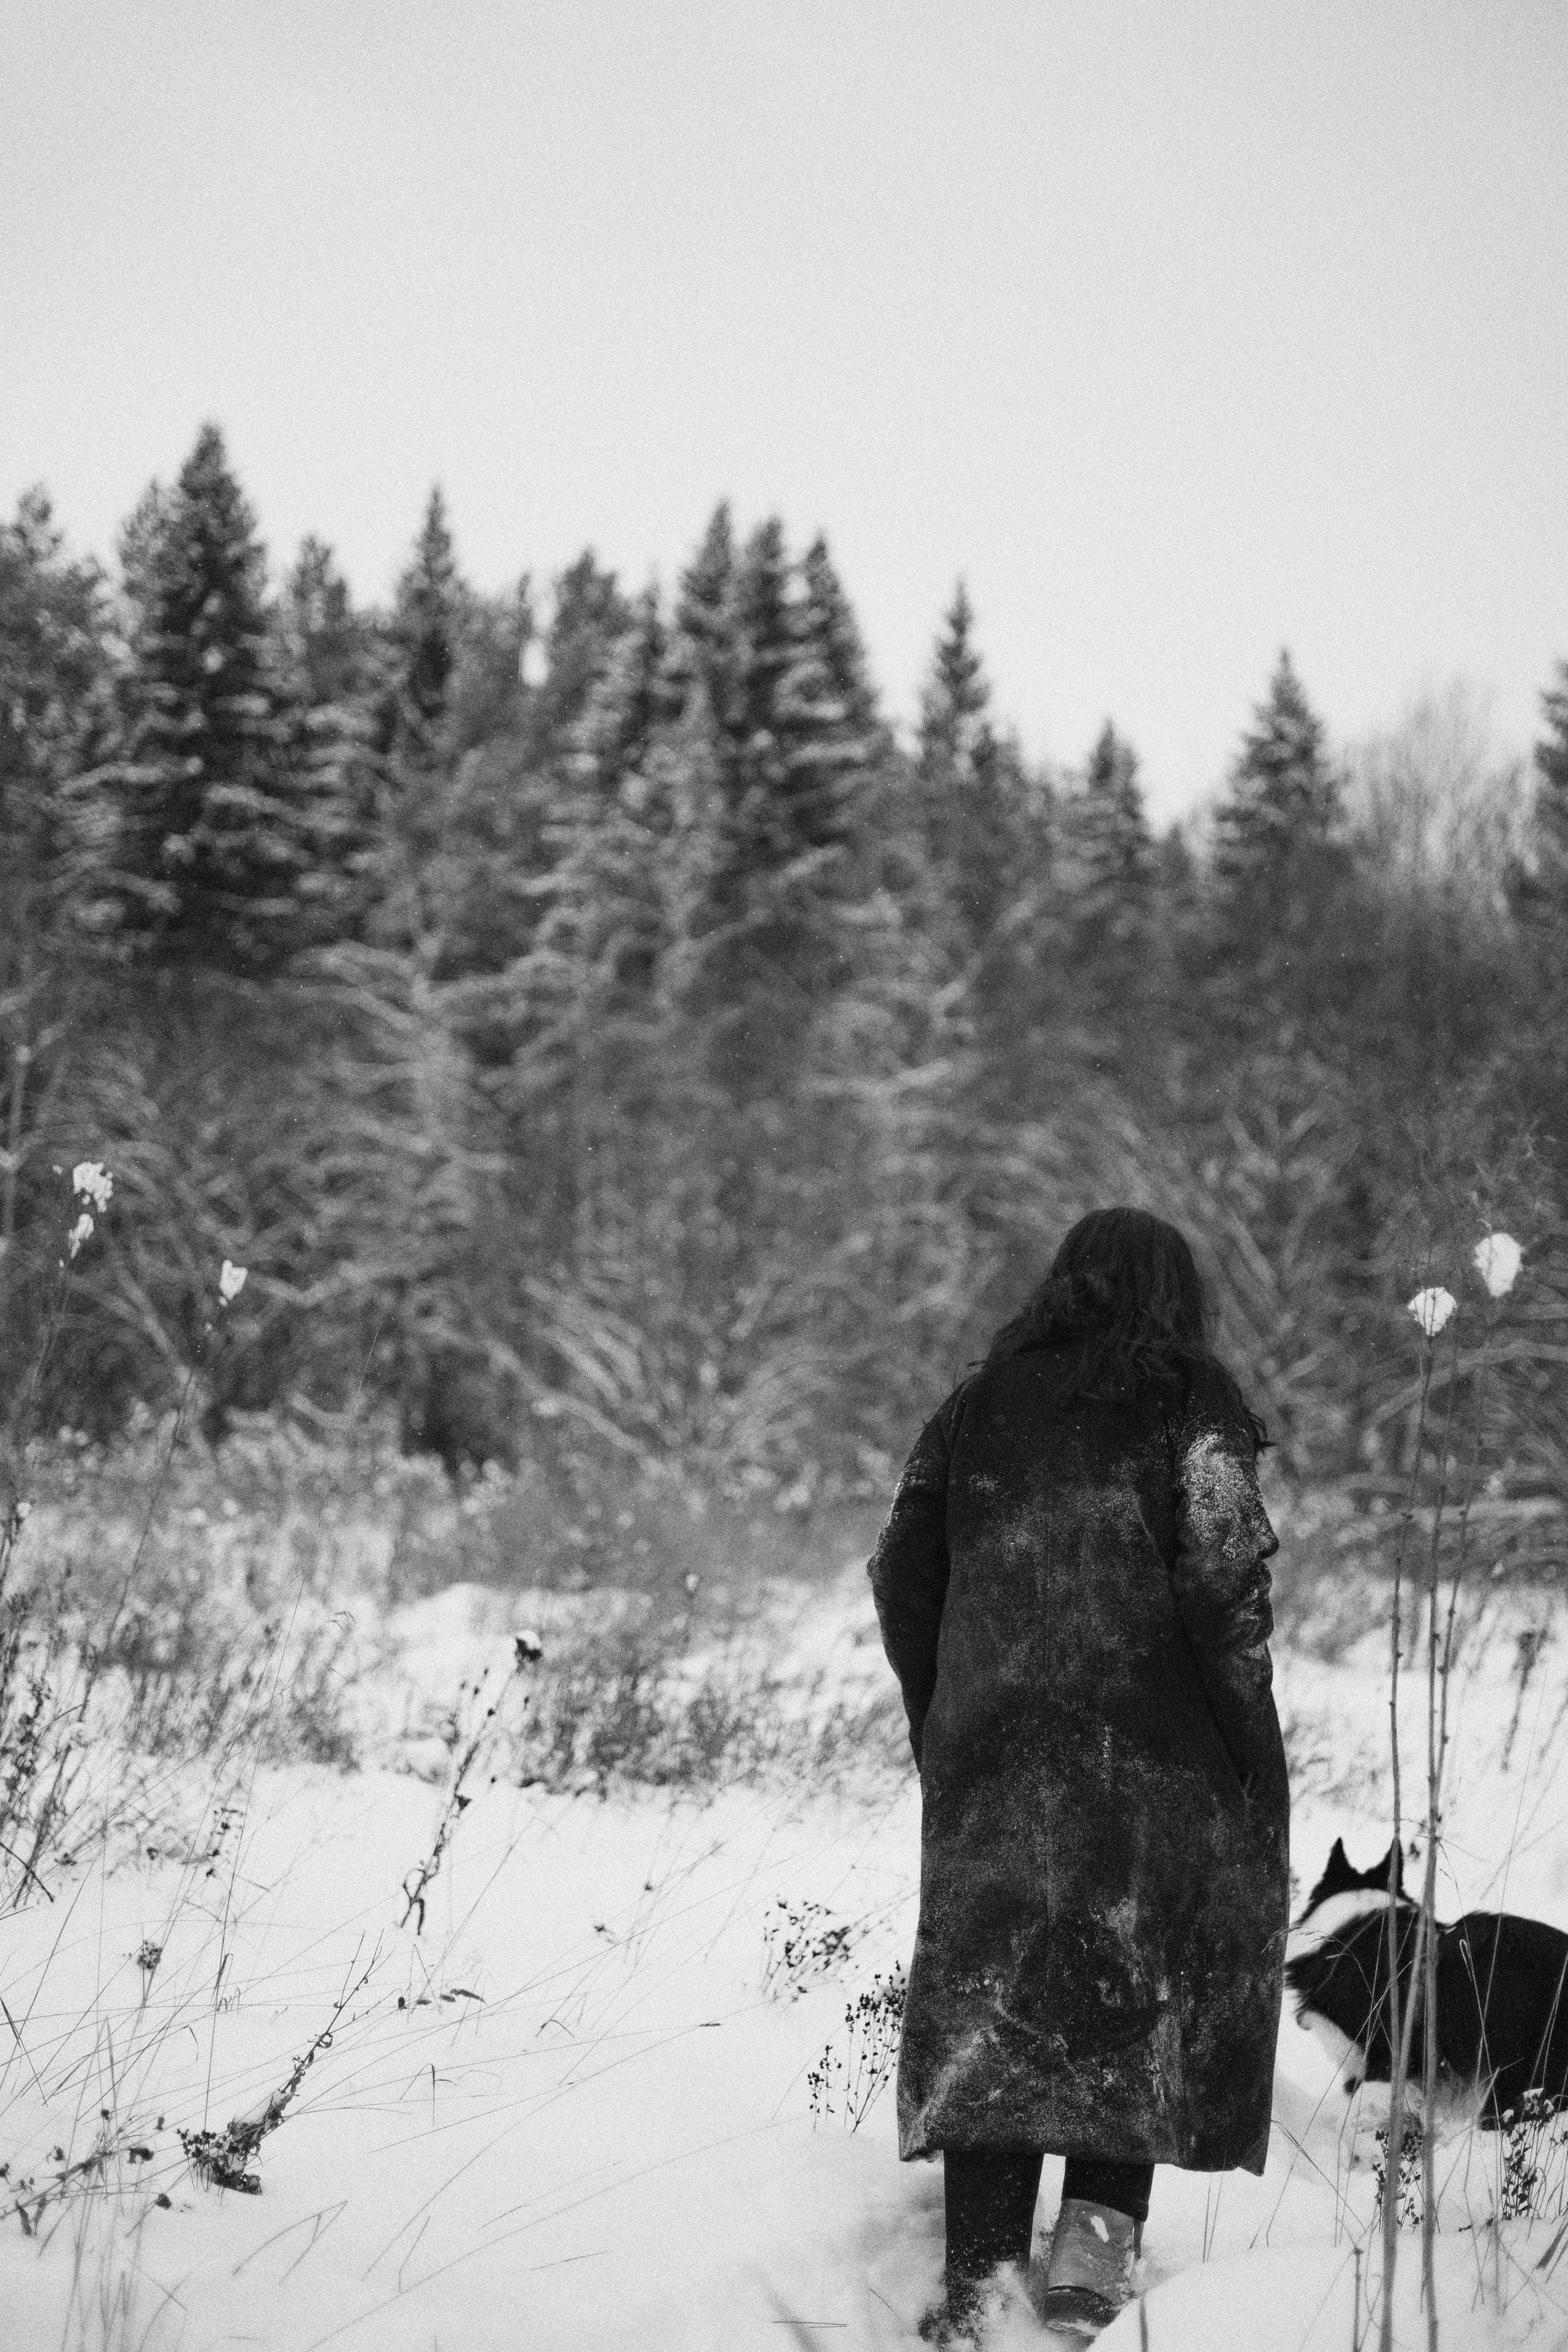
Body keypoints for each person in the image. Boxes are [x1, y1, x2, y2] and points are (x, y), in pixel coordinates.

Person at [867, 1207, 1290, 2343]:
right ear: (1175, 1294)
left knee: (992, 2022)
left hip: (993, 1774)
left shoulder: (977, 1407)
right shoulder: (1190, 1401)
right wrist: (1245, 1748)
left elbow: (901, 1568)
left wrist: (947, 1716)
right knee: (1126, 2026)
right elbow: (1226, 1584)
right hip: (1153, 1780)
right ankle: (1082, 2298)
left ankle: (979, 2298)